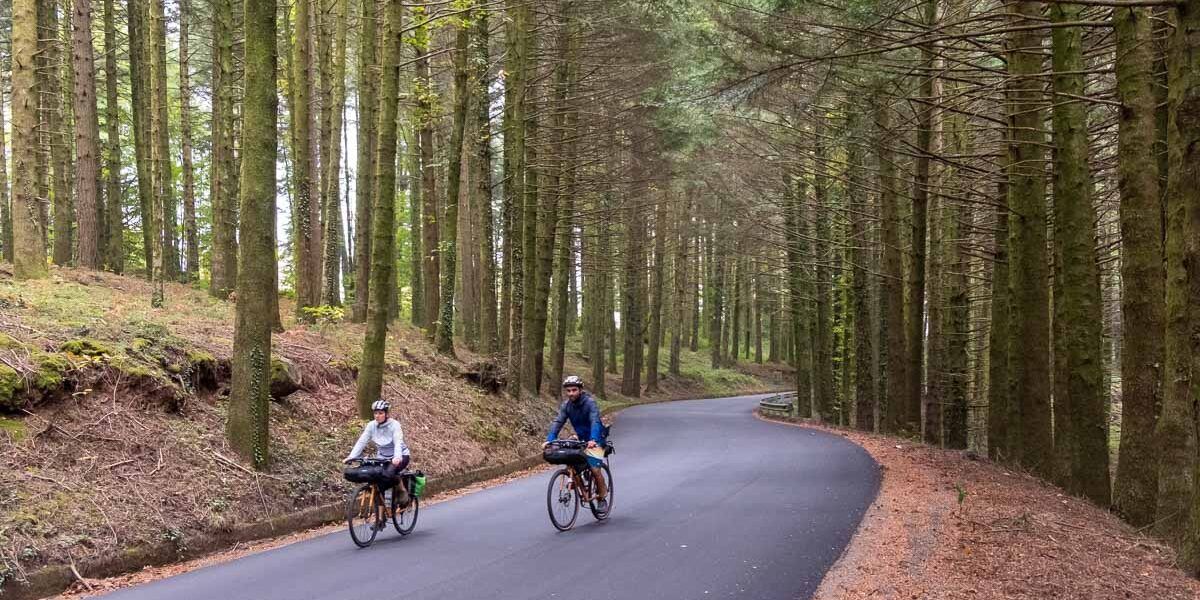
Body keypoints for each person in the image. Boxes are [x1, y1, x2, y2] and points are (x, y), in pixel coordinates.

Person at [544, 375, 609, 511]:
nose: (571, 393)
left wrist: (593, 439)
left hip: (595, 439)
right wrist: (549, 440)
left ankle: (602, 498)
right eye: (568, 391)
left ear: (580, 390)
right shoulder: (566, 406)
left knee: (595, 469)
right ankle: (578, 478)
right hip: (580, 439)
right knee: (570, 458)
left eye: (574, 390)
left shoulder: (590, 403)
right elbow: (558, 422)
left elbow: (595, 421)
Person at [345, 400, 412, 505]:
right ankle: (381, 517)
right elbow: (362, 441)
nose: (377, 416)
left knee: (388, 474)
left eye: (380, 413)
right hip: (382, 457)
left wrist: (397, 457)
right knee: (378, 478)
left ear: (386, 414)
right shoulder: (371, 425)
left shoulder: (394, 425)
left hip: (400, 455)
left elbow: (398, 442)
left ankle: (401, 487)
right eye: (375, 413)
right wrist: (351, 456)